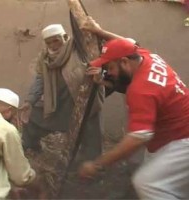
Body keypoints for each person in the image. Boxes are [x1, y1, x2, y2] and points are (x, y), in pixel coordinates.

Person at [79, 23, 189, 199]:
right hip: (169, 137)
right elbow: (125, 44)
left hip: (182, 140)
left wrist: (97, 164)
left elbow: (138, 137)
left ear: (124, 62)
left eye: (110, 68)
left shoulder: (140, 89)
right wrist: (99, 32)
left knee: (147, 183)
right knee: (158, 179)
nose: (110, 73)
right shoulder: (147, 57)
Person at [20, 24, 104, 160]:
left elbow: (99, 55)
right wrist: (30, 101)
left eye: (56, 40)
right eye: (49, 42)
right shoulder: (46, 57)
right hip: (60, 101)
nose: (53, 45)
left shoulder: (78, 49)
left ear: (65, 37)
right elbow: (40, 79)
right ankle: (31, 150)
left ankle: (92, 167)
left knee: (91, 136)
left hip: (83, 100)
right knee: (33, 115)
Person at [0, 88, 36, 199]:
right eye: (14, 114)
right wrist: (35, 179)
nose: (15, 118)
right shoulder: (6, 129)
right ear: (9, 110)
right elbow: (21, 177)